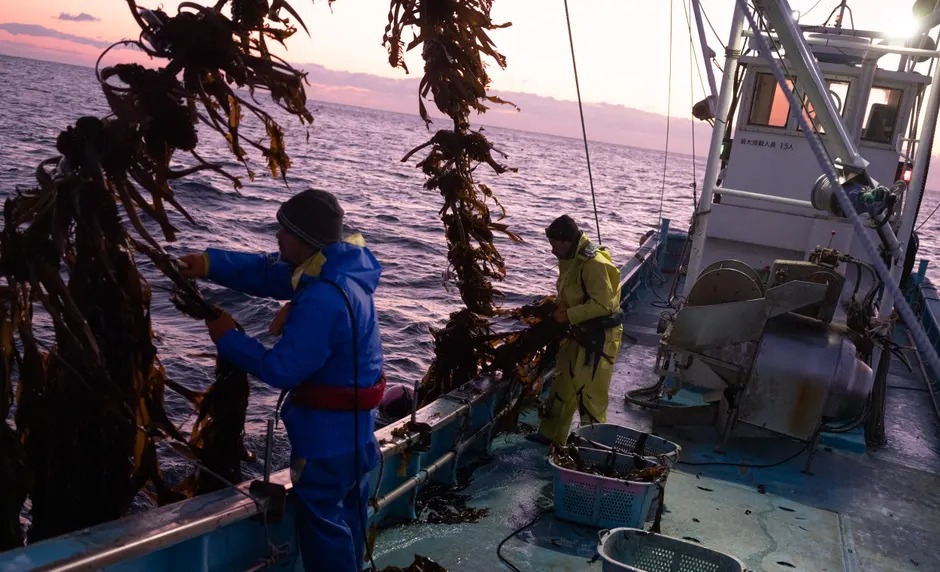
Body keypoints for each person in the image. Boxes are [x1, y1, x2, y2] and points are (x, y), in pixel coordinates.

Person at [178, 188, 383, 571]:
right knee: (351, 516)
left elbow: (282, 369)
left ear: (305, 238)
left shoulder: (322, 299)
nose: (277, 236)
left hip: (325, 442)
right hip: (358, 434)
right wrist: (208, 264)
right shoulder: (342, 270)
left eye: (285, 230)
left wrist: (228, 338)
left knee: (323, 524)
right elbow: (269, 272)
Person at [533, 214, 623, 446]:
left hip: (599, 339)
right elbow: (570, 292)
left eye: (554, 244)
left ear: (566, 241)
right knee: (562, 386)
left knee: (590, 394)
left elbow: (603, 305)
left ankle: (592, 445)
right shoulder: (570, 259)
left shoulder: (595, 264)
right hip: (577, 332)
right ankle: (550, 436)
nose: (552, 249)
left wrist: (567, 316)